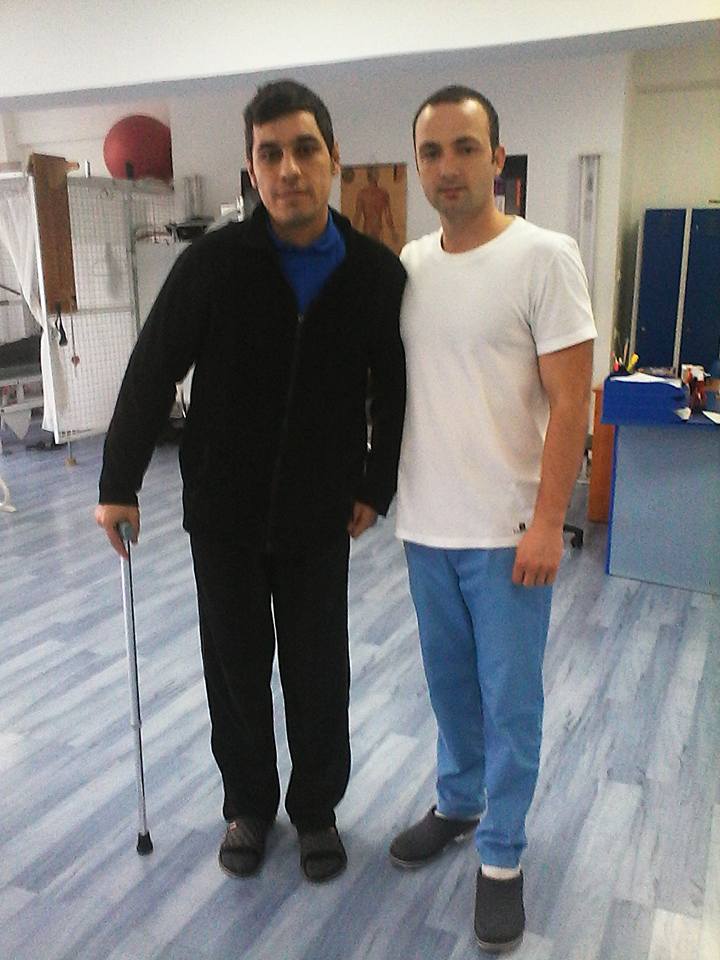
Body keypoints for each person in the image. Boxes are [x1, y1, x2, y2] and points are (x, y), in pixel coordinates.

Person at [95, 80, 406, 884]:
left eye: (304, 149)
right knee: (234, 670)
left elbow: (392, 387)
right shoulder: (213, 265)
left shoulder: (374, 273)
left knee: (317, 671)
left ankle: (316, 811)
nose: (288, 169)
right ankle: (249, 806)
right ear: (251, 167)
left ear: (333, 159)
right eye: (270, 154)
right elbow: (152, 369)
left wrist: (376, 480)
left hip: (318, 515)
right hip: (223, 513)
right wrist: (119, 480)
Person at [389, 86, 595, 953]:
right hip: (426, 526)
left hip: (509, 533)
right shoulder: (409, 264)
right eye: (432, 152)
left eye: (465, 148)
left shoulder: (545, 257)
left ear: (498, 159)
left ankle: (502, 856)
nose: (448, 167)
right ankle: (460, 802)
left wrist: (549, 522)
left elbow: (573, 402)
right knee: (450, 690)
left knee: (510, 702)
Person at [353, 165, 398, 247]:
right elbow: (357, 216)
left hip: (372, 230)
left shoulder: (379, 193)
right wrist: (393, 232)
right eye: (376, 173)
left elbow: (357, 216)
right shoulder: (380, 193)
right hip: (374, 229)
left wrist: (393, 232)